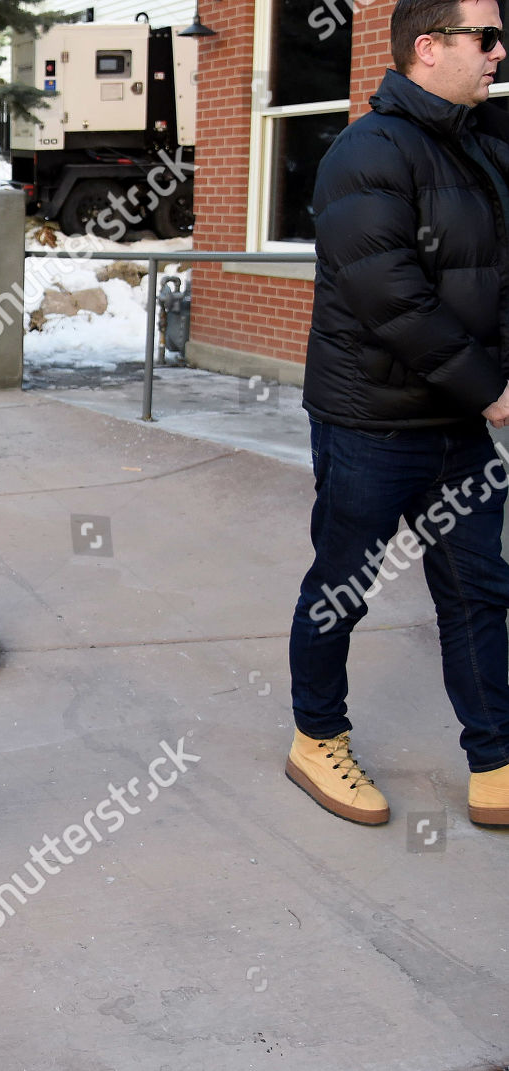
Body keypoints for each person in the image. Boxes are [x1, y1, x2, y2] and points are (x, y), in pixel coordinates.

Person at [289, 0, 509, 829]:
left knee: (480, 589)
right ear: (428, 47)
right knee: (340, 588)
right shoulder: (366, 151)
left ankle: (495, 753)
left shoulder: (483, 145)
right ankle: (317, 736)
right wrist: (490, 387)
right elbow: (393, 299)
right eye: (484, 38)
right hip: (370, 425)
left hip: (456, 427)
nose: (497, 53)